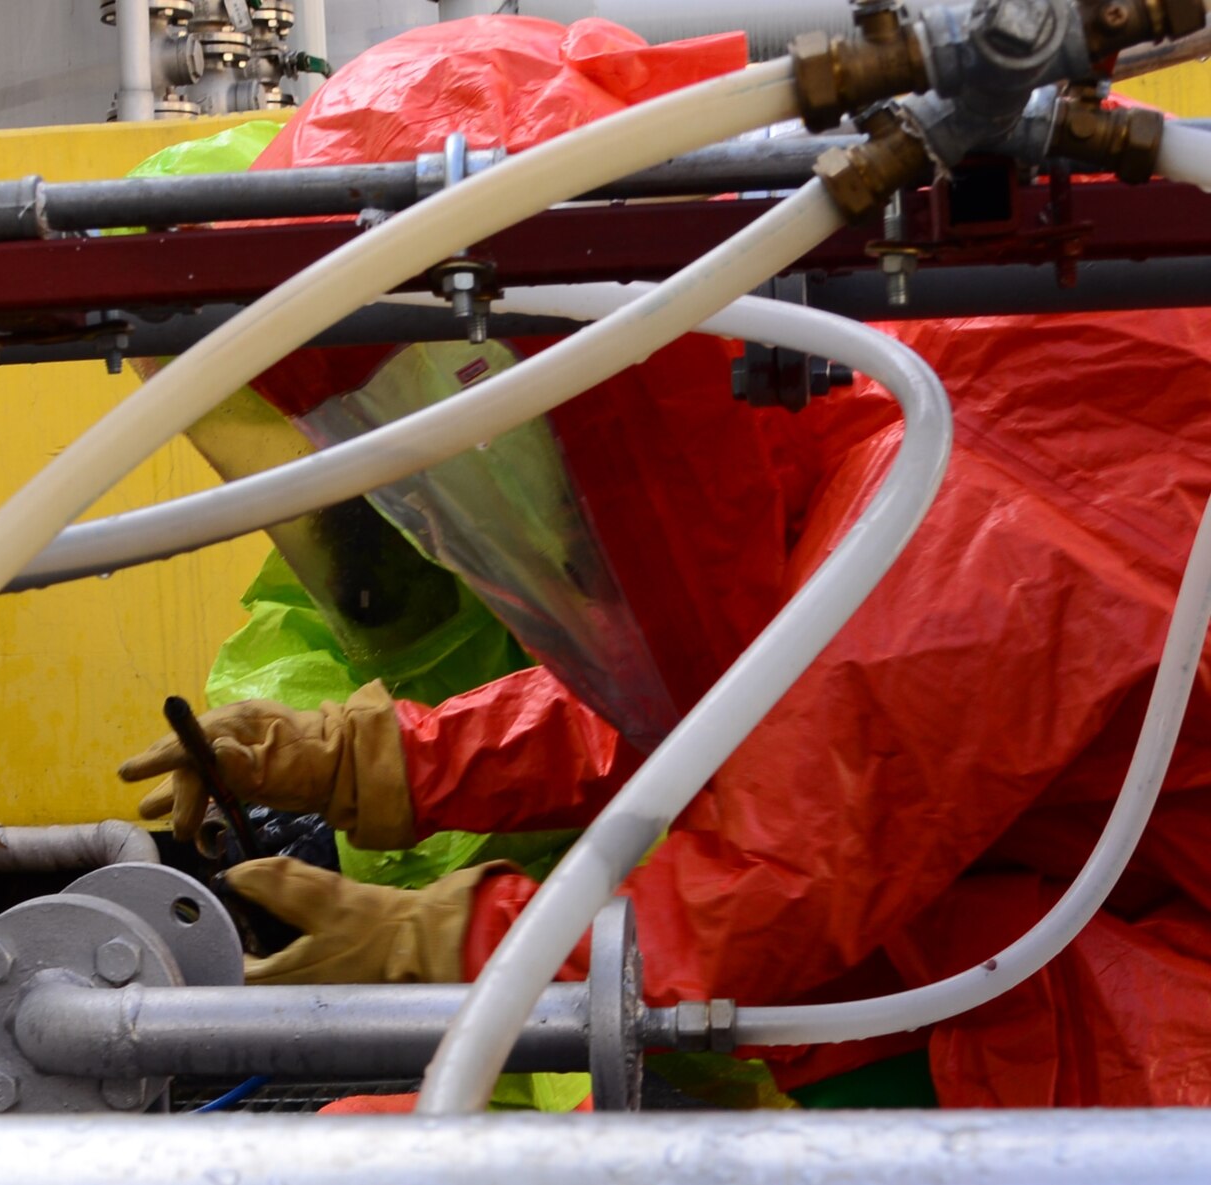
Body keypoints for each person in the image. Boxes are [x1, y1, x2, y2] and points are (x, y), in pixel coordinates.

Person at [121, 15, 1211, 1108]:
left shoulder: (989, 496)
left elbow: (787, 859)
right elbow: (754, 688)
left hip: (1147, 1017)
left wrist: (440, 940)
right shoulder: (893, 357)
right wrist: (378, 758)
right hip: (1054, 924)